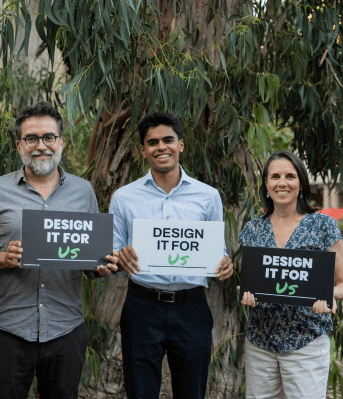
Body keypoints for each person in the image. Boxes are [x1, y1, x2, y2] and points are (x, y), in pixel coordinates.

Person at [0, 100, 118, 399]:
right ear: (18, 144)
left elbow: (90, 259)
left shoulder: (83, 191)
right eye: (31, 138)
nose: (41, 145)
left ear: (60, 142)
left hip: (65, 328)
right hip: (9, 330)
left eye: (49, 137)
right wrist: (2, 258)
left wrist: (101, 266)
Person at [110, 112, 234, 399]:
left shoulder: (208, 196)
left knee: (191, 392)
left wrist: (224, 264)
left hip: (191, 308)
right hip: (142, 307)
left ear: (181, 145)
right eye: (152, 142)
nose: (161, 147)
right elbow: (112, 260)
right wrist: (120, 258)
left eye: (168, 140)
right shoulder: (123, 197)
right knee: (140, 392)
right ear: (143, 150)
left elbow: (217, 252)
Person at [239, 150, 343, 399]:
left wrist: (329, 295)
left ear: (300, 183)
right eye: (275, 176)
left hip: (307, 341)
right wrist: (245, 293)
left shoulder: (323, 225)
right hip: (260, 342)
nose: (282, 183)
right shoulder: (252, 229)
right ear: (266, 184)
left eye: (290, 176)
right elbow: (250, 282)